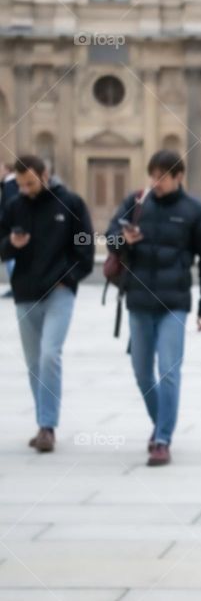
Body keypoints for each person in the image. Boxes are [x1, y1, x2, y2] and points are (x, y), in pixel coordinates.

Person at [105, 150, 201, 466]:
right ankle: (161, 424)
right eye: (153, 175)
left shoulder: (195, 210)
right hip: (138, 300)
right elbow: (110, 239)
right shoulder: (137, 202)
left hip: (174, 303)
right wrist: (123, 239)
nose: (156, 182)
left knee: (168, 370)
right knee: (142, 372)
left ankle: (162, 439)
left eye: (162, 176)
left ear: (178, 176)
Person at [0, 155, 94, 452]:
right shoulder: (14, 205)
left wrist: (71, 277)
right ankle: (43, 422)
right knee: (33, 363)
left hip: (59, 291)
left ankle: (48, 426)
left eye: (29, 183)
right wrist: (10, 246)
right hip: (26, 292)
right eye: (20, 184)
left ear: (44, 175)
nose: (24, 189)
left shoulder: (71, 203)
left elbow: (85, 242)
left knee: (50, 354)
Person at [1, 160, 18, 298]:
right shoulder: (8, 184)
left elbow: (10, 207)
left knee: (10, 257)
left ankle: (16, 287)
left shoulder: (9, 184)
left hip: (9, 228)